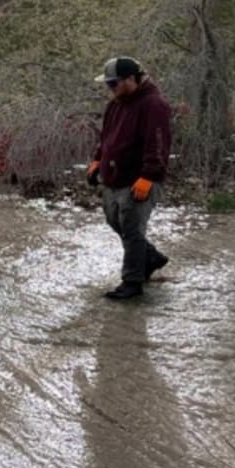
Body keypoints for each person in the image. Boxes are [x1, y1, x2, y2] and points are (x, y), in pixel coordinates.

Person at [88, 56, 172, 300]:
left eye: (114, 83)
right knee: (116, 221)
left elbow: (158, 143)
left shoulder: (154, 104)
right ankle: (151, 257)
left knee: (133, 230)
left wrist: (149, 175)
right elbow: (107, 136)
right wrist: (97, 160)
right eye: (108, 84)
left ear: (131, 79)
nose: (110, 88)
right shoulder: (116, 103)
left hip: (139, 178)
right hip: (114, 177)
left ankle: (132, 282)